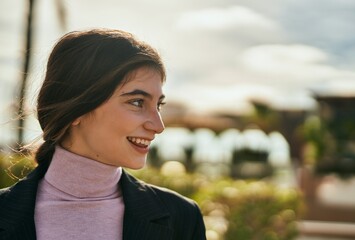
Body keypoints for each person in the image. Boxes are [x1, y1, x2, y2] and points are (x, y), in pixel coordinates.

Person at [0, 29, 206, 240]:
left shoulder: (182, 218)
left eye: (158, 105)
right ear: (77, 109)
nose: (158, 125)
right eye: (137, 102)